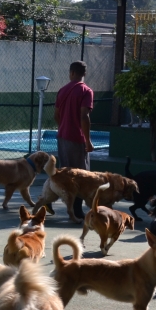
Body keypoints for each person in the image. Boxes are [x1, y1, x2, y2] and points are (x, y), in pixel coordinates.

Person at [54, 60, 95, 218]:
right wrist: (88, 140)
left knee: (65, 173)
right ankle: (77, 209)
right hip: (77, 139)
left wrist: (63, 126)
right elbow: (84, 117)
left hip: (62, 137)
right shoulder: (86, 91)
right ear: (84, 73)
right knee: (81, 175)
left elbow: (56, 115)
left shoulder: (62, 90)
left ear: (71, 73)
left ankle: (47, 200)